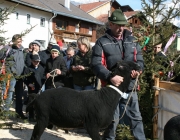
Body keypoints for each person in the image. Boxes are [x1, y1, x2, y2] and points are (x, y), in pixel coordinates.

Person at [91, 9, 146, 140]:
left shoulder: (133, 41)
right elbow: (96, 64)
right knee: (112, 120)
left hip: (131, 87)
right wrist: (110, 76)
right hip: (111, 88)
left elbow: (140, 61)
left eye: (123, 25)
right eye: (118, 25)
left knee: (136, 119)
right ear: (110, 24)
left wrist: (138, 70)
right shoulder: (101, 42)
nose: (121, 28)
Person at [4, 34, 27, 119]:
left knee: (19, 95)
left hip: (20, 76)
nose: (19, 43)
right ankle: (5, 113)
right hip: (11, 75)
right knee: (9, 94)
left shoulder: (22, 50)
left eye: (20, 41)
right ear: (14, 41)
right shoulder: (9, 49)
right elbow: (4, 58)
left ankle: (19, 112)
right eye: (18, 41)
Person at [24, 52, 45, 122]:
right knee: (31, 102)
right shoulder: (28, 69)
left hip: (40, 88)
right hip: (32, 88)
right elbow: (24, 78)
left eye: (37, 61)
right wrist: (28, 84)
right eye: (35, 61)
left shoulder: (41, 68)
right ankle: (31, 116)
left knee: (39, 103)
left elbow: (43, 77)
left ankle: (37, 116)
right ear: (32, 61)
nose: (36, 63)